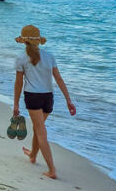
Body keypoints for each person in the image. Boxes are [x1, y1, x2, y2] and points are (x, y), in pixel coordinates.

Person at [12, 25, 77, 180]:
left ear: (24, 41)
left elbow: (18, 83)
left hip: (33, 97)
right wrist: (68, 100)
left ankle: (52, 170)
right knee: (38, 128)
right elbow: (59, 79)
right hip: (48, 98)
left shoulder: (21, 58)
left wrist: (15, 104)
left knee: (41, 132)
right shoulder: (49, 57)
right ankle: (33, 155)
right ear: (38, 41)